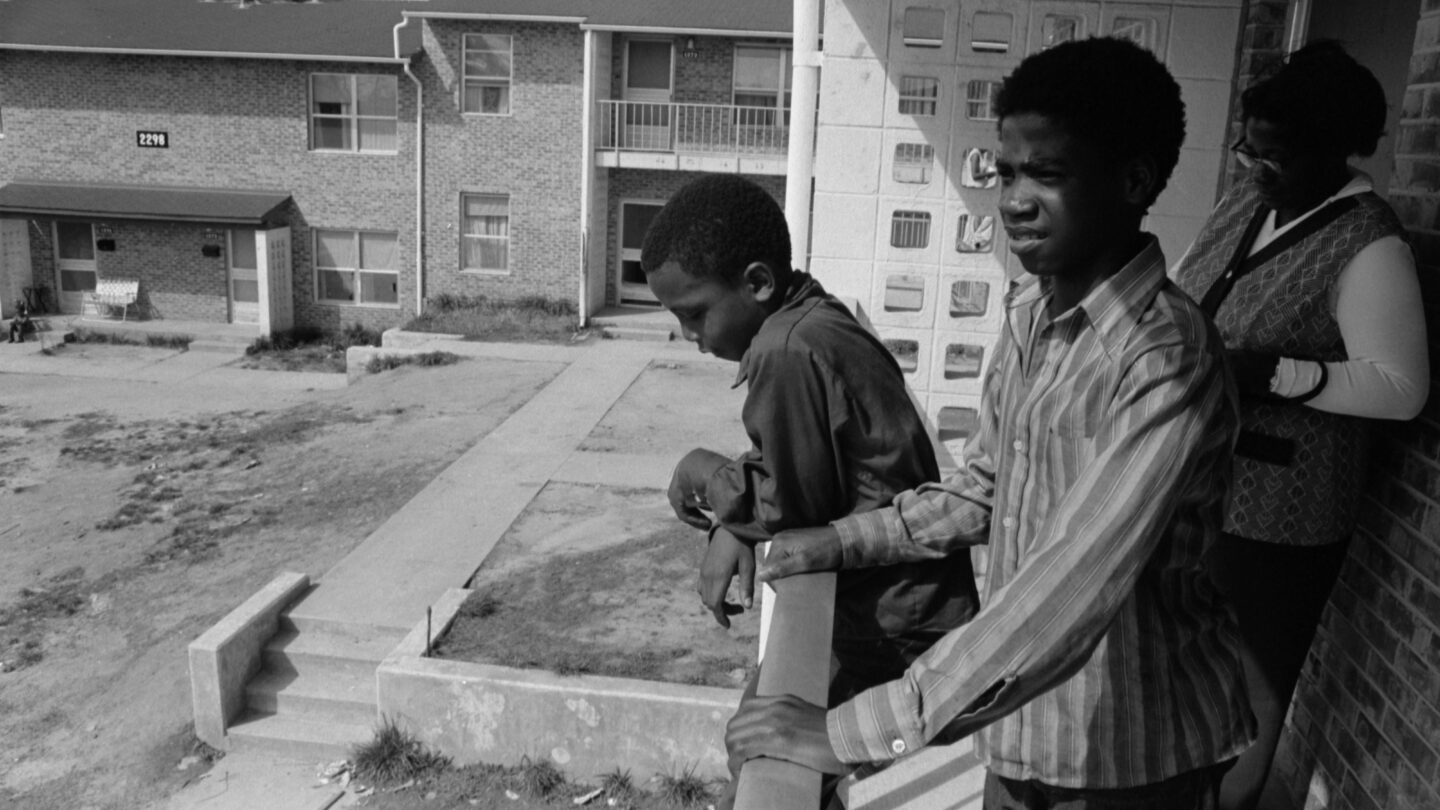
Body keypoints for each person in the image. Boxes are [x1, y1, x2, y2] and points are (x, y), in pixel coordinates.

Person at [724, 36, 1257, 809]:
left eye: (1048, 173)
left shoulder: (1164, 357)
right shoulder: (1032, 314)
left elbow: (1070, 583)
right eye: (1005, 171)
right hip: (1022, 730)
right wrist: (837, 541)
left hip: (1135, 757)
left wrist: (850, 732)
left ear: (1134, 180)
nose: (1012, 198)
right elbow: (982, 491)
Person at [640, 173, 980, 804]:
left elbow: (791, 504)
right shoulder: (813, 317)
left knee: (762, 759)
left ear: (758, 283)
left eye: (695, 314)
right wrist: (731, 522)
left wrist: (706, 472)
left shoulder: (786, 349)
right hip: (892, 605)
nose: (690, 336)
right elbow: (801, 468)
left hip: (889, 622)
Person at [1169, 40, 1429, 810]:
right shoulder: (1247, 203)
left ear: (1331, 150)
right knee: (1185, 667)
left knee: (1250, 689)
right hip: (1205, 484)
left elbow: (1401, 387)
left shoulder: (1369, 243)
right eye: (1252, 146)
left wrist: (1278, 374)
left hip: (1285, 514)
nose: (1256, 164)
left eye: (1276, 153)